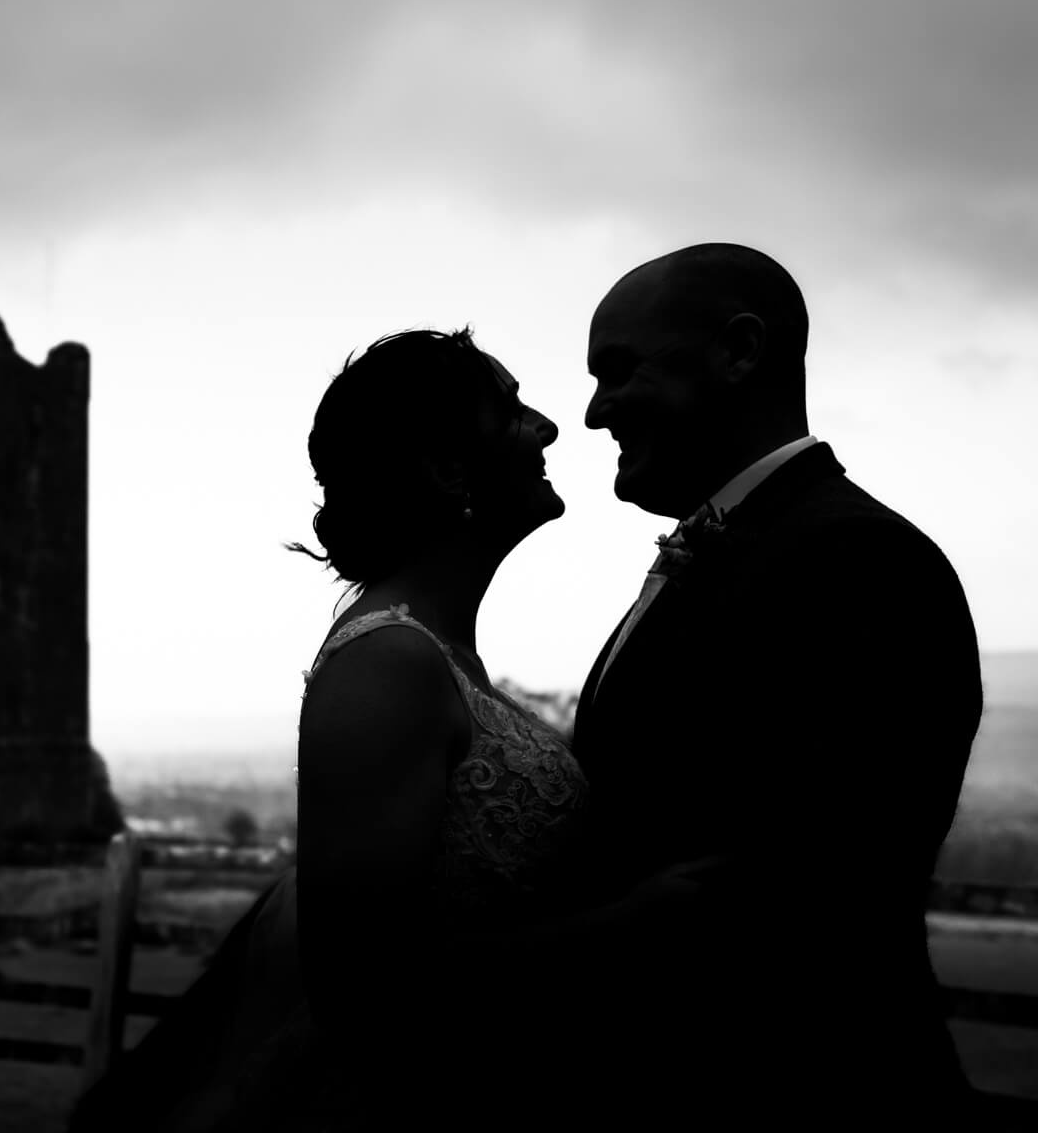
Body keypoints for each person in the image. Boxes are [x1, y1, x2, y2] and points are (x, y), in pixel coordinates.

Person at [68, 329, 704, 1132]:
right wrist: (637, 921)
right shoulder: (388, 665)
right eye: (511, 413)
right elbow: (366, 985)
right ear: (447, 471)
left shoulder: (440, 656)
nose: (548, 428)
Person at [568, 242, 983, 1120]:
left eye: (619, 370)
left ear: (740, 352)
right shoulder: (752, 545)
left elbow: (799, 892)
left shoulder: (854, 559)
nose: (595, 412)